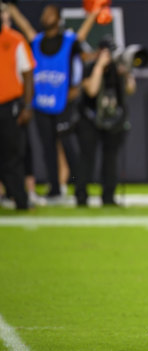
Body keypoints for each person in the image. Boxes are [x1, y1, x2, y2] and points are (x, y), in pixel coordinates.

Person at [8, 2, 101, 201]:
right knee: (47, 148)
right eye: (45, 13)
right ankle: (55, 189)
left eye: (51, 13)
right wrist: (12, 9)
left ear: (58, 19)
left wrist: (93, 15)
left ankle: (78, 186)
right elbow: (25, 27)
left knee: (68, 145)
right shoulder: (37, 41)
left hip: (63, 103)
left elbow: (82, 36)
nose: (46, 16)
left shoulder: (68, 41)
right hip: (41, 103)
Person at [75, 36, 136, 207]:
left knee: (110, 158)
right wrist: (100, 66)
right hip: (89, 118)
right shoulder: (90, 67)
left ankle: (108, 197)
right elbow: (92, 90)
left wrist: (128, 71)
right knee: (87, 157)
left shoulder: (118, 70)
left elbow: (130, 89)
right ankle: (81, 197)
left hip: (112, 119)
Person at [0, 1, 35, 210]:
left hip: (9, 105)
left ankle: (20, 200)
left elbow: (28, 73)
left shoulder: (14, 39)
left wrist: (27, 105)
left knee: (12, 154)